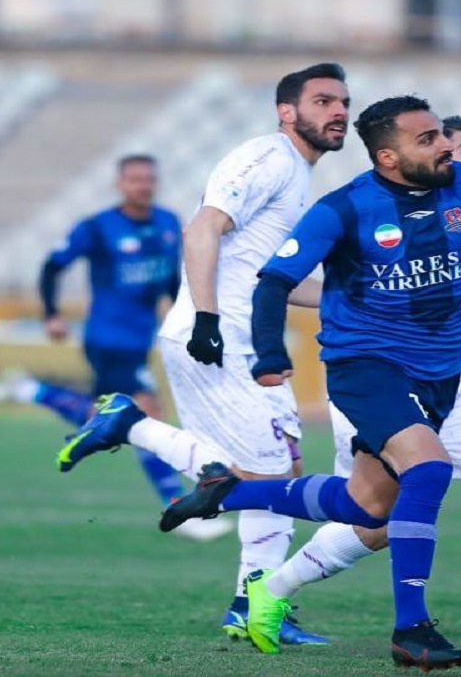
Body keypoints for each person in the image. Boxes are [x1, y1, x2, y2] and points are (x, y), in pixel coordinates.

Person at [155, 96, 461, 670]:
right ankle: (411, 630)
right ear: (388, 157)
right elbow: (273, 281)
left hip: (441, 373)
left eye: (441, 135)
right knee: (428, 469)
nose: (445, 146)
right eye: (429, 140)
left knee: (366, 507)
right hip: (365, 367)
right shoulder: (345, 208)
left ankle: (228, 495)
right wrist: (270, 353)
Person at [56, 63, 351, 646]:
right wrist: (208, 319)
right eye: (322, 101)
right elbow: (201, 230)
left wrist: (353, 300)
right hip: (218, 337)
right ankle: (251, 601)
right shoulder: (267, 158)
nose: (338, 111)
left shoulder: (297, 174)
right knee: (269, 474)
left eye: (343, 102)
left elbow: (273, 276)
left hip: (244, 336)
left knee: (277, 471)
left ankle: (247, 601)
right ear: (286, 111)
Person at [0, 156, 231, 543]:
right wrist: (51, 314)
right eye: (134, 179)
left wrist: (185, 319)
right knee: (148, 413)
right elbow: (53, 265)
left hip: (141, 338)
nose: (142, 186)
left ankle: (30, 389)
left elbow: (169, 279)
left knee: (107, 419)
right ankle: (178, 506)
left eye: (148, 179)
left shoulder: (167, 222)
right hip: (107, 339)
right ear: (120, 184)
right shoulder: (98, 227)